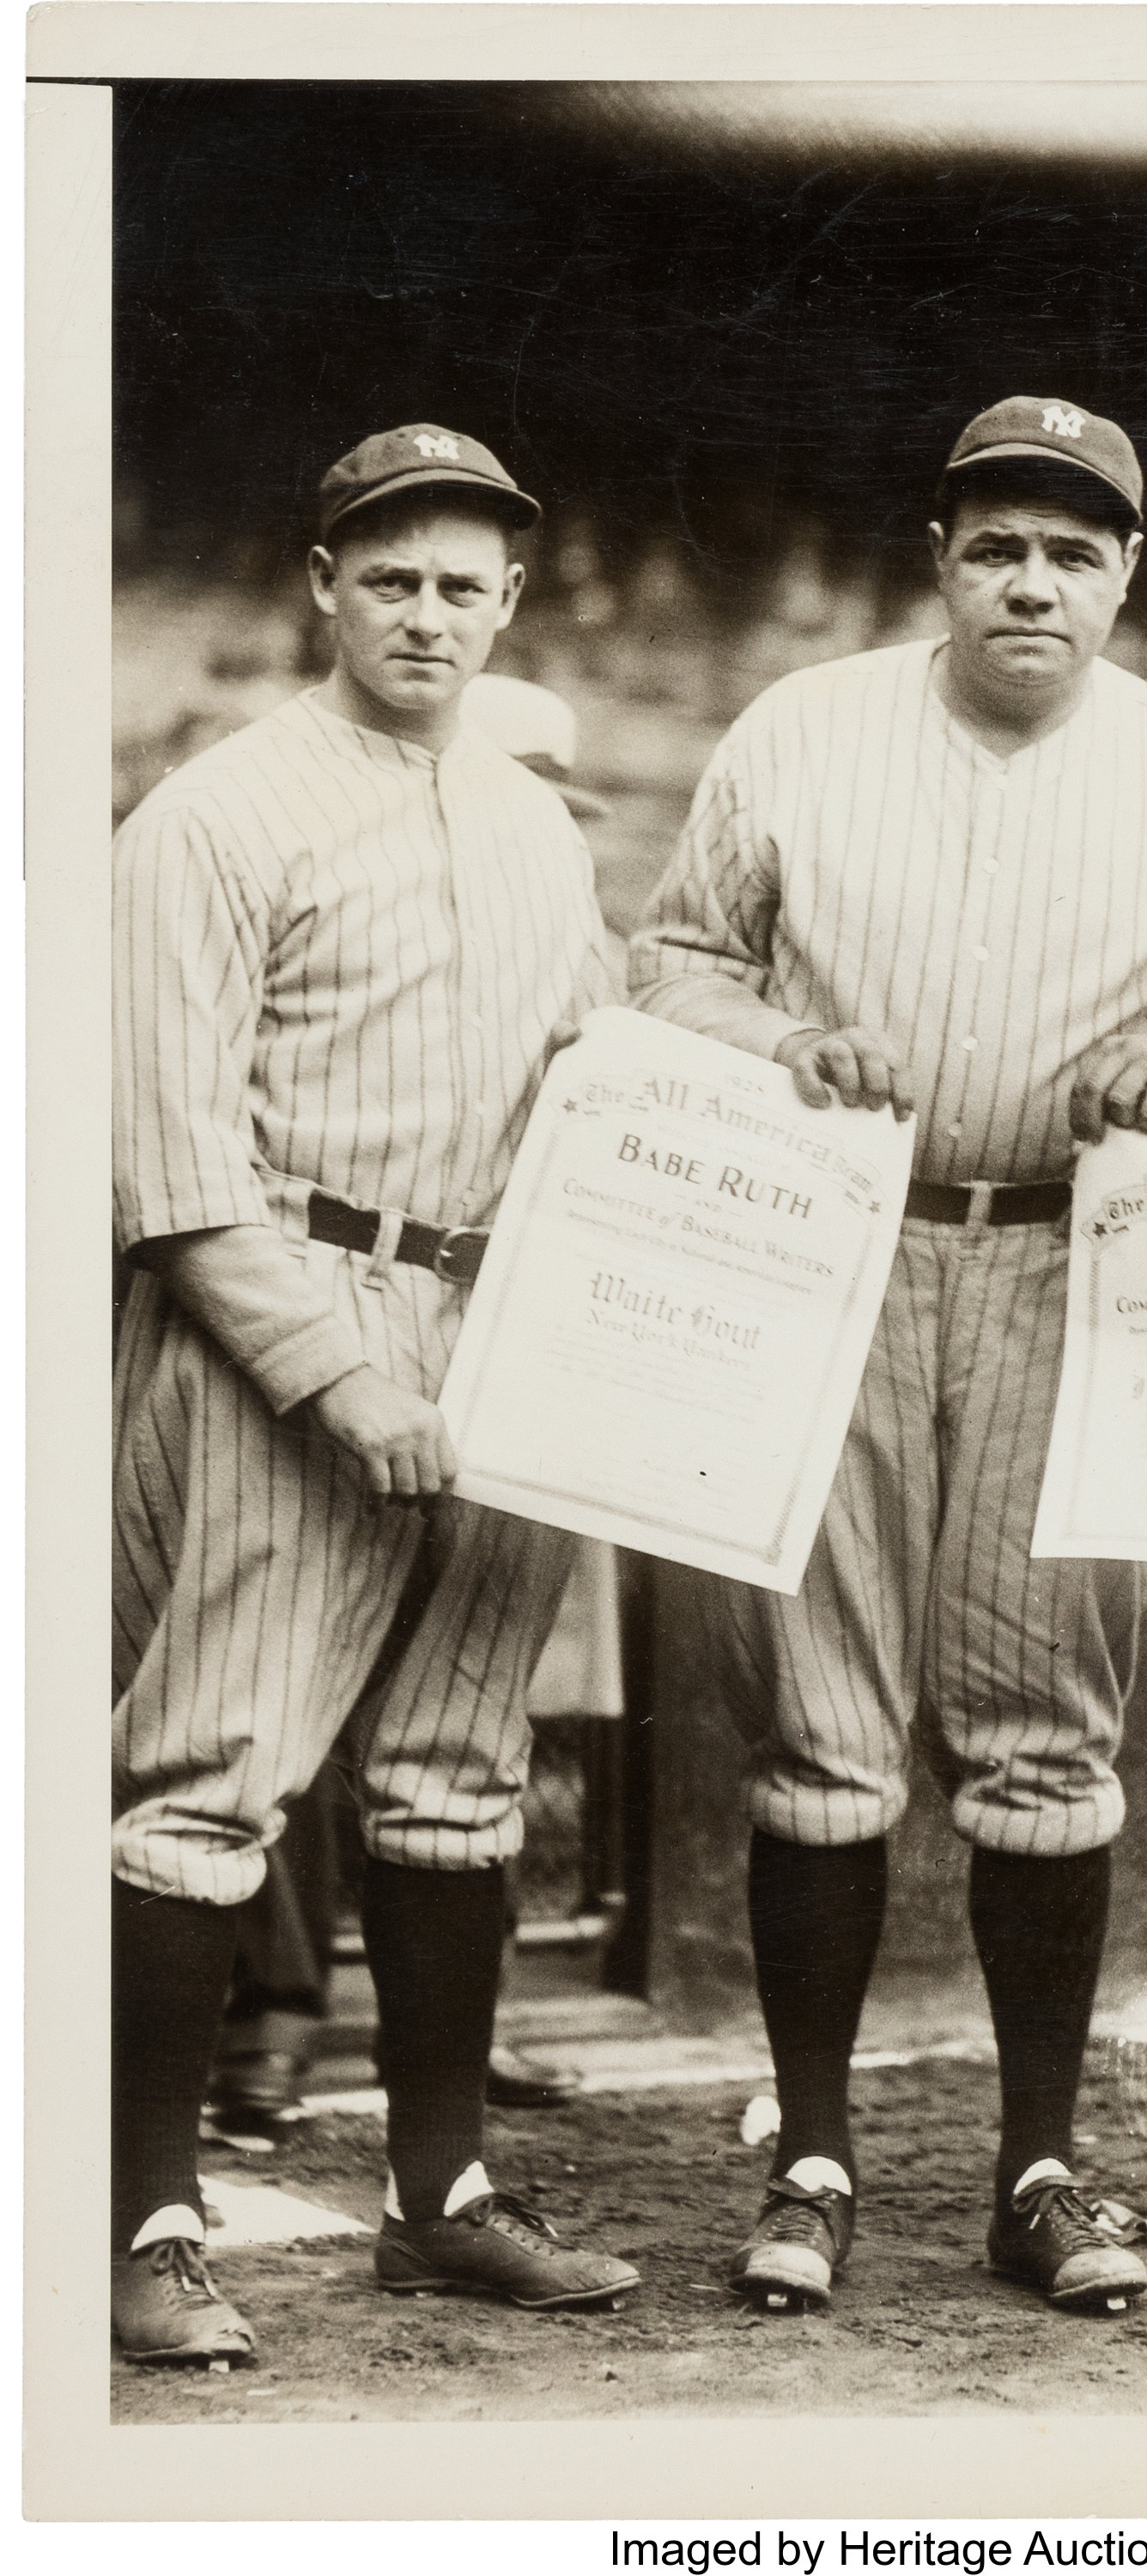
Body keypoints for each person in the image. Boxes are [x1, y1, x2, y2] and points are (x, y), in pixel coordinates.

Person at [628, 395, 1147, 2314]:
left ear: (1126, 577)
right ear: (939, 558)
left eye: (1073, 550)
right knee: (823, 1733)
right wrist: (776, 1044)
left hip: (1062, 1255)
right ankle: (810, 2158)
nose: (1033, 578)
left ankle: (1040, 2160)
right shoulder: (800, 732)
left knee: (1043, 1737)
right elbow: (673, 964)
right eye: (998, 543)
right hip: (835, 1248)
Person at [112, 424, 640, 2364]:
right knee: (212, 1782)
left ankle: (440, 2194)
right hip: (287, 1314)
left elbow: (598, 1082)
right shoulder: (210, 817)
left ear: (513, 602)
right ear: (321, 585)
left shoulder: (524, 820)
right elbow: (170, 1174)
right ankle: (145, 2220)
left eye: (465, 582)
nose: (428, 611)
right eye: (392, 575)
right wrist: (342, 1381)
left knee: (452, 1783)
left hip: (498, 1322)